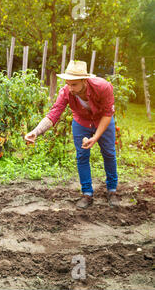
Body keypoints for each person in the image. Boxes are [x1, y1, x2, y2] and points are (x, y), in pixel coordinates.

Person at [25, 60, 119, 209]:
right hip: (81, 122)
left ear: (84, 80)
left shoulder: (103, 87)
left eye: (74, 84)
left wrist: (96, 137)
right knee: (82, 155)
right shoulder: (66, 92)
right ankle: (87, 193)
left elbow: (108, 113)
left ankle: (112, 191)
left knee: (109, 153)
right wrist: (36, 131)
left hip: (103, 120)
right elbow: (53, 114)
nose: (70, 88)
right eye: (68, 83)